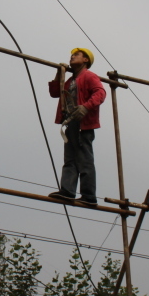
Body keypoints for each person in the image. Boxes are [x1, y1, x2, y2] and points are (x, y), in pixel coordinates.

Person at [48, 48, 106, 205]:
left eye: (77, 55)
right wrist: (60, 73)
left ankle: (88, 195)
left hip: (83, 124)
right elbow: (55, 92)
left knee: (84, 159)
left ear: (86, 60)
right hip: (71, 123)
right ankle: (67, 191)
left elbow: (100, 93)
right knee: (70, 159)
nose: (72, 57)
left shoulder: (89, 76)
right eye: (72, 55)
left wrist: (86, 107)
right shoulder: (70, 80)